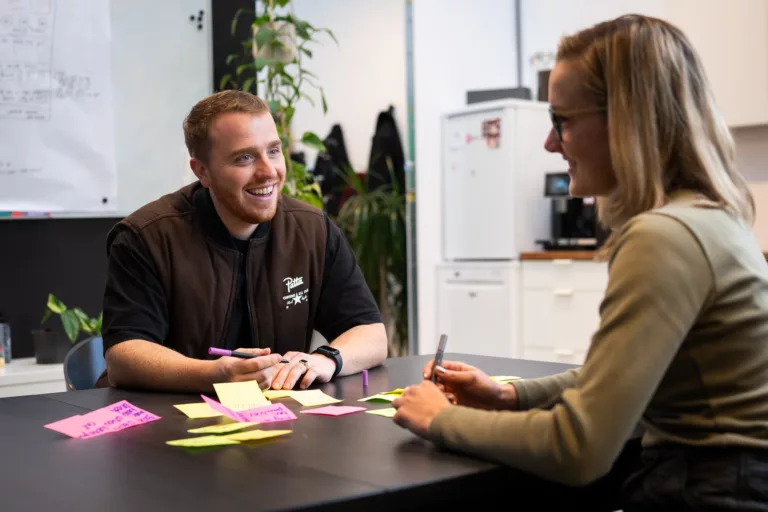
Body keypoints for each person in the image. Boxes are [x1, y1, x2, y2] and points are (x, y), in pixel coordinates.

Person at [392, 14, 768, 511]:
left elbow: (579, 447)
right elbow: (618, 378)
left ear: (628, 120)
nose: (550, 143)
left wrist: (439, 420)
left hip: (707, 489)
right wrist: (510, 396)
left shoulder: (664, 236)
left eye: (562, 121)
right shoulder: (704, 217)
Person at [100, 90, 388, 393]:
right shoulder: (146, 237)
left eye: (274, 151)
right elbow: (124, 356)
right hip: (168, 421)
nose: (269, 172)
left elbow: (370, 333)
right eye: (245, 158)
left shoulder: (312, 230)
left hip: (277, 420)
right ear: (202, 172)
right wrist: (213, 375)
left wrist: (326, 360)